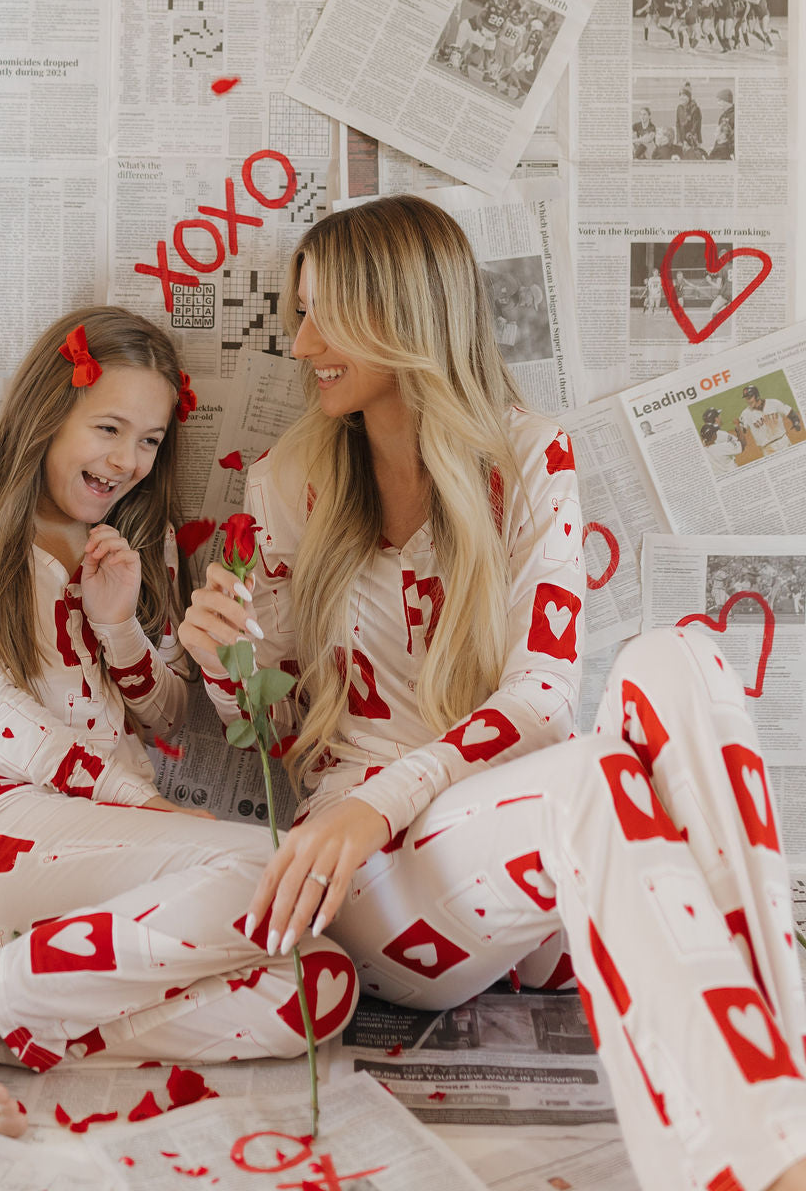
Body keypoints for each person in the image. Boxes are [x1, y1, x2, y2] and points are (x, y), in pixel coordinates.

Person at [180, 197, 806, 1191]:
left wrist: (382, 800)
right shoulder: (285, 481)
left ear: (404, 315)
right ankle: (770, 1166)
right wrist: (226, 661)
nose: (300, 346)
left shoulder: (529, 454)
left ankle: (784, 1098)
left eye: (323, 316)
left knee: (676, 657)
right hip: (390, 900)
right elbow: (285, 730)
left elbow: (546, 700)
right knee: (592, 777)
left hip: (528, 861)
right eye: (297, 315)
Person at [0, 307, 357, 1137]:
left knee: (317, 987)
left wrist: (118, 624)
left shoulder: (132, 533)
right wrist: (142, 804)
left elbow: (167, 718)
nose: (127, 461)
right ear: (51, 410)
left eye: (149, 440)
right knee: (273, 870)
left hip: (109, 885)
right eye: (109, 428)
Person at [738, 384, 803, 457]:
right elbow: (742, 430)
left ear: (756, 396)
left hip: (784, 441)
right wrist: (738, 427)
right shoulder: (745, 414)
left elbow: (790, 412)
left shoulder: (773, 403)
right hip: (768, 449)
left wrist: (796, 422)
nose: (748, 401)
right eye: (746, 398)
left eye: (750, 398)